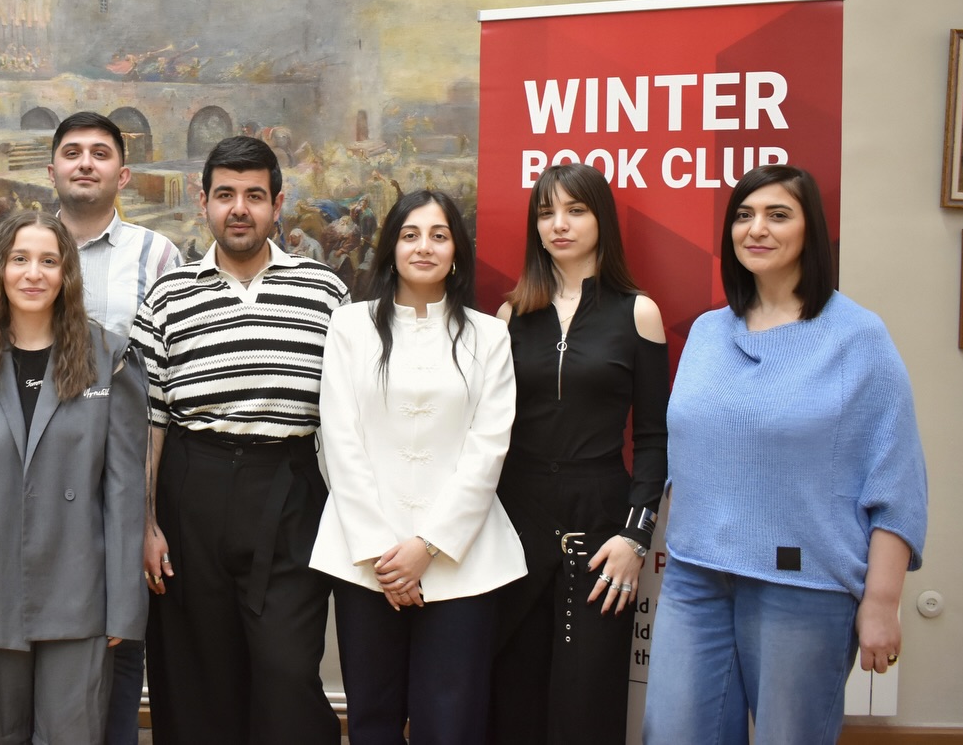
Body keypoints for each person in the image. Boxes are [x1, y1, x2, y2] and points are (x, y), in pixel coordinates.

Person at [643, 165, 928, 745]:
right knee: (671, 733)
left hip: (803, 587)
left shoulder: (857, 337)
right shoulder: (706, 332)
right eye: (744, 216)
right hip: (696, 577)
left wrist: (882, 602)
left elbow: (897, 483)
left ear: (810, 230)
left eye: (778, 215)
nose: (757, 229)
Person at [133, 135, 347, 745]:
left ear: (278, 204)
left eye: (254, 196)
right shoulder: (167, 296)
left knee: (286, 671)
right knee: (199, 675)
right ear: (203, 202)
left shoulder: (325, 291)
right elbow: (150, 419)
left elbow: (351, 413)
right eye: (225, 194)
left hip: (290, 489)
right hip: (192, 488)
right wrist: (147, 525)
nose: (239, 209)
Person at [0, 212, 148, 743]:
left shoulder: (110, 359)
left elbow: (125, 493)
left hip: (78, 592)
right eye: (20, 259)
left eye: (49, 261)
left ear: (67, 275)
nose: (33, 273)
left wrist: (125, 606)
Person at [310, 190, 525, 743]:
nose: (423, 247)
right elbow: (340, 441)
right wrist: (386, 556)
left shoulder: (489, 335)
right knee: (372, 721)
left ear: (457, 252)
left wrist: (427, 545)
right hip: (367, 562)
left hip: (462, 561)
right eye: (410, 235)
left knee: (452, 724)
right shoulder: (350, 326)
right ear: (391, 248)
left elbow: (488, 450)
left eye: (439, 235)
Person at [488, 162, 669, 744]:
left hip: (601, 530)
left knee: (585, 702)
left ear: (601, 220)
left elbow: (654, 438)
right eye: (546, 213)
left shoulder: (638, 311)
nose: (559, 224)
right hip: (514, 527)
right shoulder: (510, 315)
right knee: (512, 696)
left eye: (575, 210)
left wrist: (636, 537)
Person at [46, 110, 181, 745]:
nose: (85, 163)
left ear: (122, 174)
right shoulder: (24, 251)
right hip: (39, 468)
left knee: (122, 634)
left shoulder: (160, 256)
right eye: (72, 152)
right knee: (44, 632)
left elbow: (171, 374)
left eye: (100, 154)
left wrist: (150, 509)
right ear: (51, 169)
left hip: (126, 467)